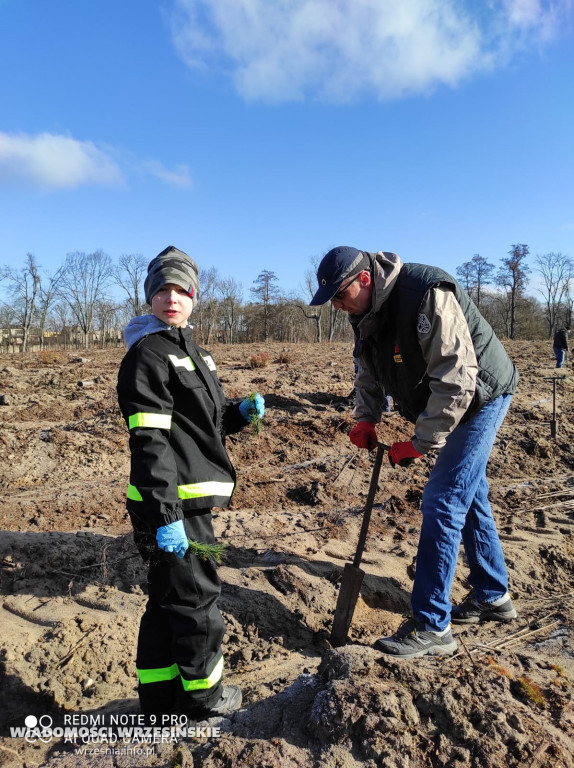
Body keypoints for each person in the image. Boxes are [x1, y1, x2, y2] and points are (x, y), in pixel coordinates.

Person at [310, 246, 518, 659]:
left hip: (480, 394)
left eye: (339, 295)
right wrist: (366, 417)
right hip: (449, 395)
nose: (336, 306)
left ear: (365, 280)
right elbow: (368, 367)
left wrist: (421, 443)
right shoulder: (364, 314)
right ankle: (493, 596)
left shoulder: (425, 292)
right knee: (469, 492)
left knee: (443, 499)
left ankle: (432, 625)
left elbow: (458, 379)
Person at [117, 246, 265, 718]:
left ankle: (161, 701)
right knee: (198, 600)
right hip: (171, 505)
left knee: (166, 602)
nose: (172, 298)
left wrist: (238, 414)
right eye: (162, 289)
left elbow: (207, 423)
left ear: (195, 298)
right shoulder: (147, 355)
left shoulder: (195, 351)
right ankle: (205, 700)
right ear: (149, 297)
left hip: (187, 502)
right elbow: (151, 441)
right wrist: (166, 516)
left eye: (182, 290)